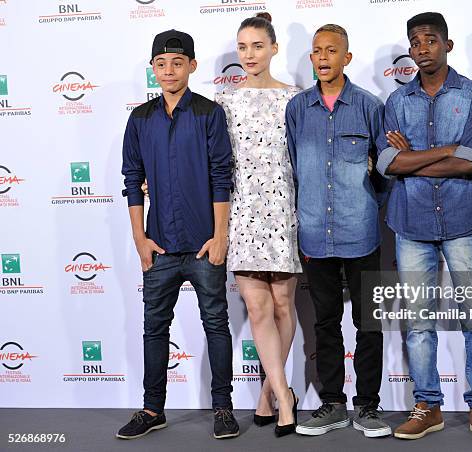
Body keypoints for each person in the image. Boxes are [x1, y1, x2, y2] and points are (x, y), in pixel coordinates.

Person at [377, 12, 472, 442]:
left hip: (463, 221)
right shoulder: (396, 103)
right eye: (414, 41)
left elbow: (471, 160)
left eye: (430, 40)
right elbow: (387, 163)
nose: (421, 48)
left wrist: (416, 158)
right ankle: (427, 406)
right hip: (411, 223)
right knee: (418, 321)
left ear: (447, 45)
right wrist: (445, 151)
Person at [118, 29, 239, 440]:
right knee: (154, 328)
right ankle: (153, 409)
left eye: (176, 62)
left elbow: (222, 176)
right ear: (153, 69)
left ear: (191, 65)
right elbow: (133, 179)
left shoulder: (208, 112)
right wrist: (139, 238)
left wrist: (220, 235)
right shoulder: (140, 118)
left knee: (216, 325)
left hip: (204, 244)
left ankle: (223, 407)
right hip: (160, 246)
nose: (168, 70)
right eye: (160, 64)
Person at [286, 24, 391, 438]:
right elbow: (294, 167)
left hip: (361, 232)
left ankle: (368, 406)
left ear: (347, 58)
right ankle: (332, 404)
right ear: (311, 58)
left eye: (332, 50)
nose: (323, 57)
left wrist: (367, 209)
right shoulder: (297, 109)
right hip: (314, 233)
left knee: (370, 323)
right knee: (325, 323)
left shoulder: (368, 106)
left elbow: (385, 169)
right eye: (316, 51)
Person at [215, 12, 300, 437]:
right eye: (243, 47)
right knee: (256, 305)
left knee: (284, 306)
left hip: (286, 212)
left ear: (273, 48)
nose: (249, 54)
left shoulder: (295, 98)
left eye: (257, 46)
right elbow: (217, 168)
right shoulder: (224, 102)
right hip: (244, 213)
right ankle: (286, 397)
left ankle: (269, 391)